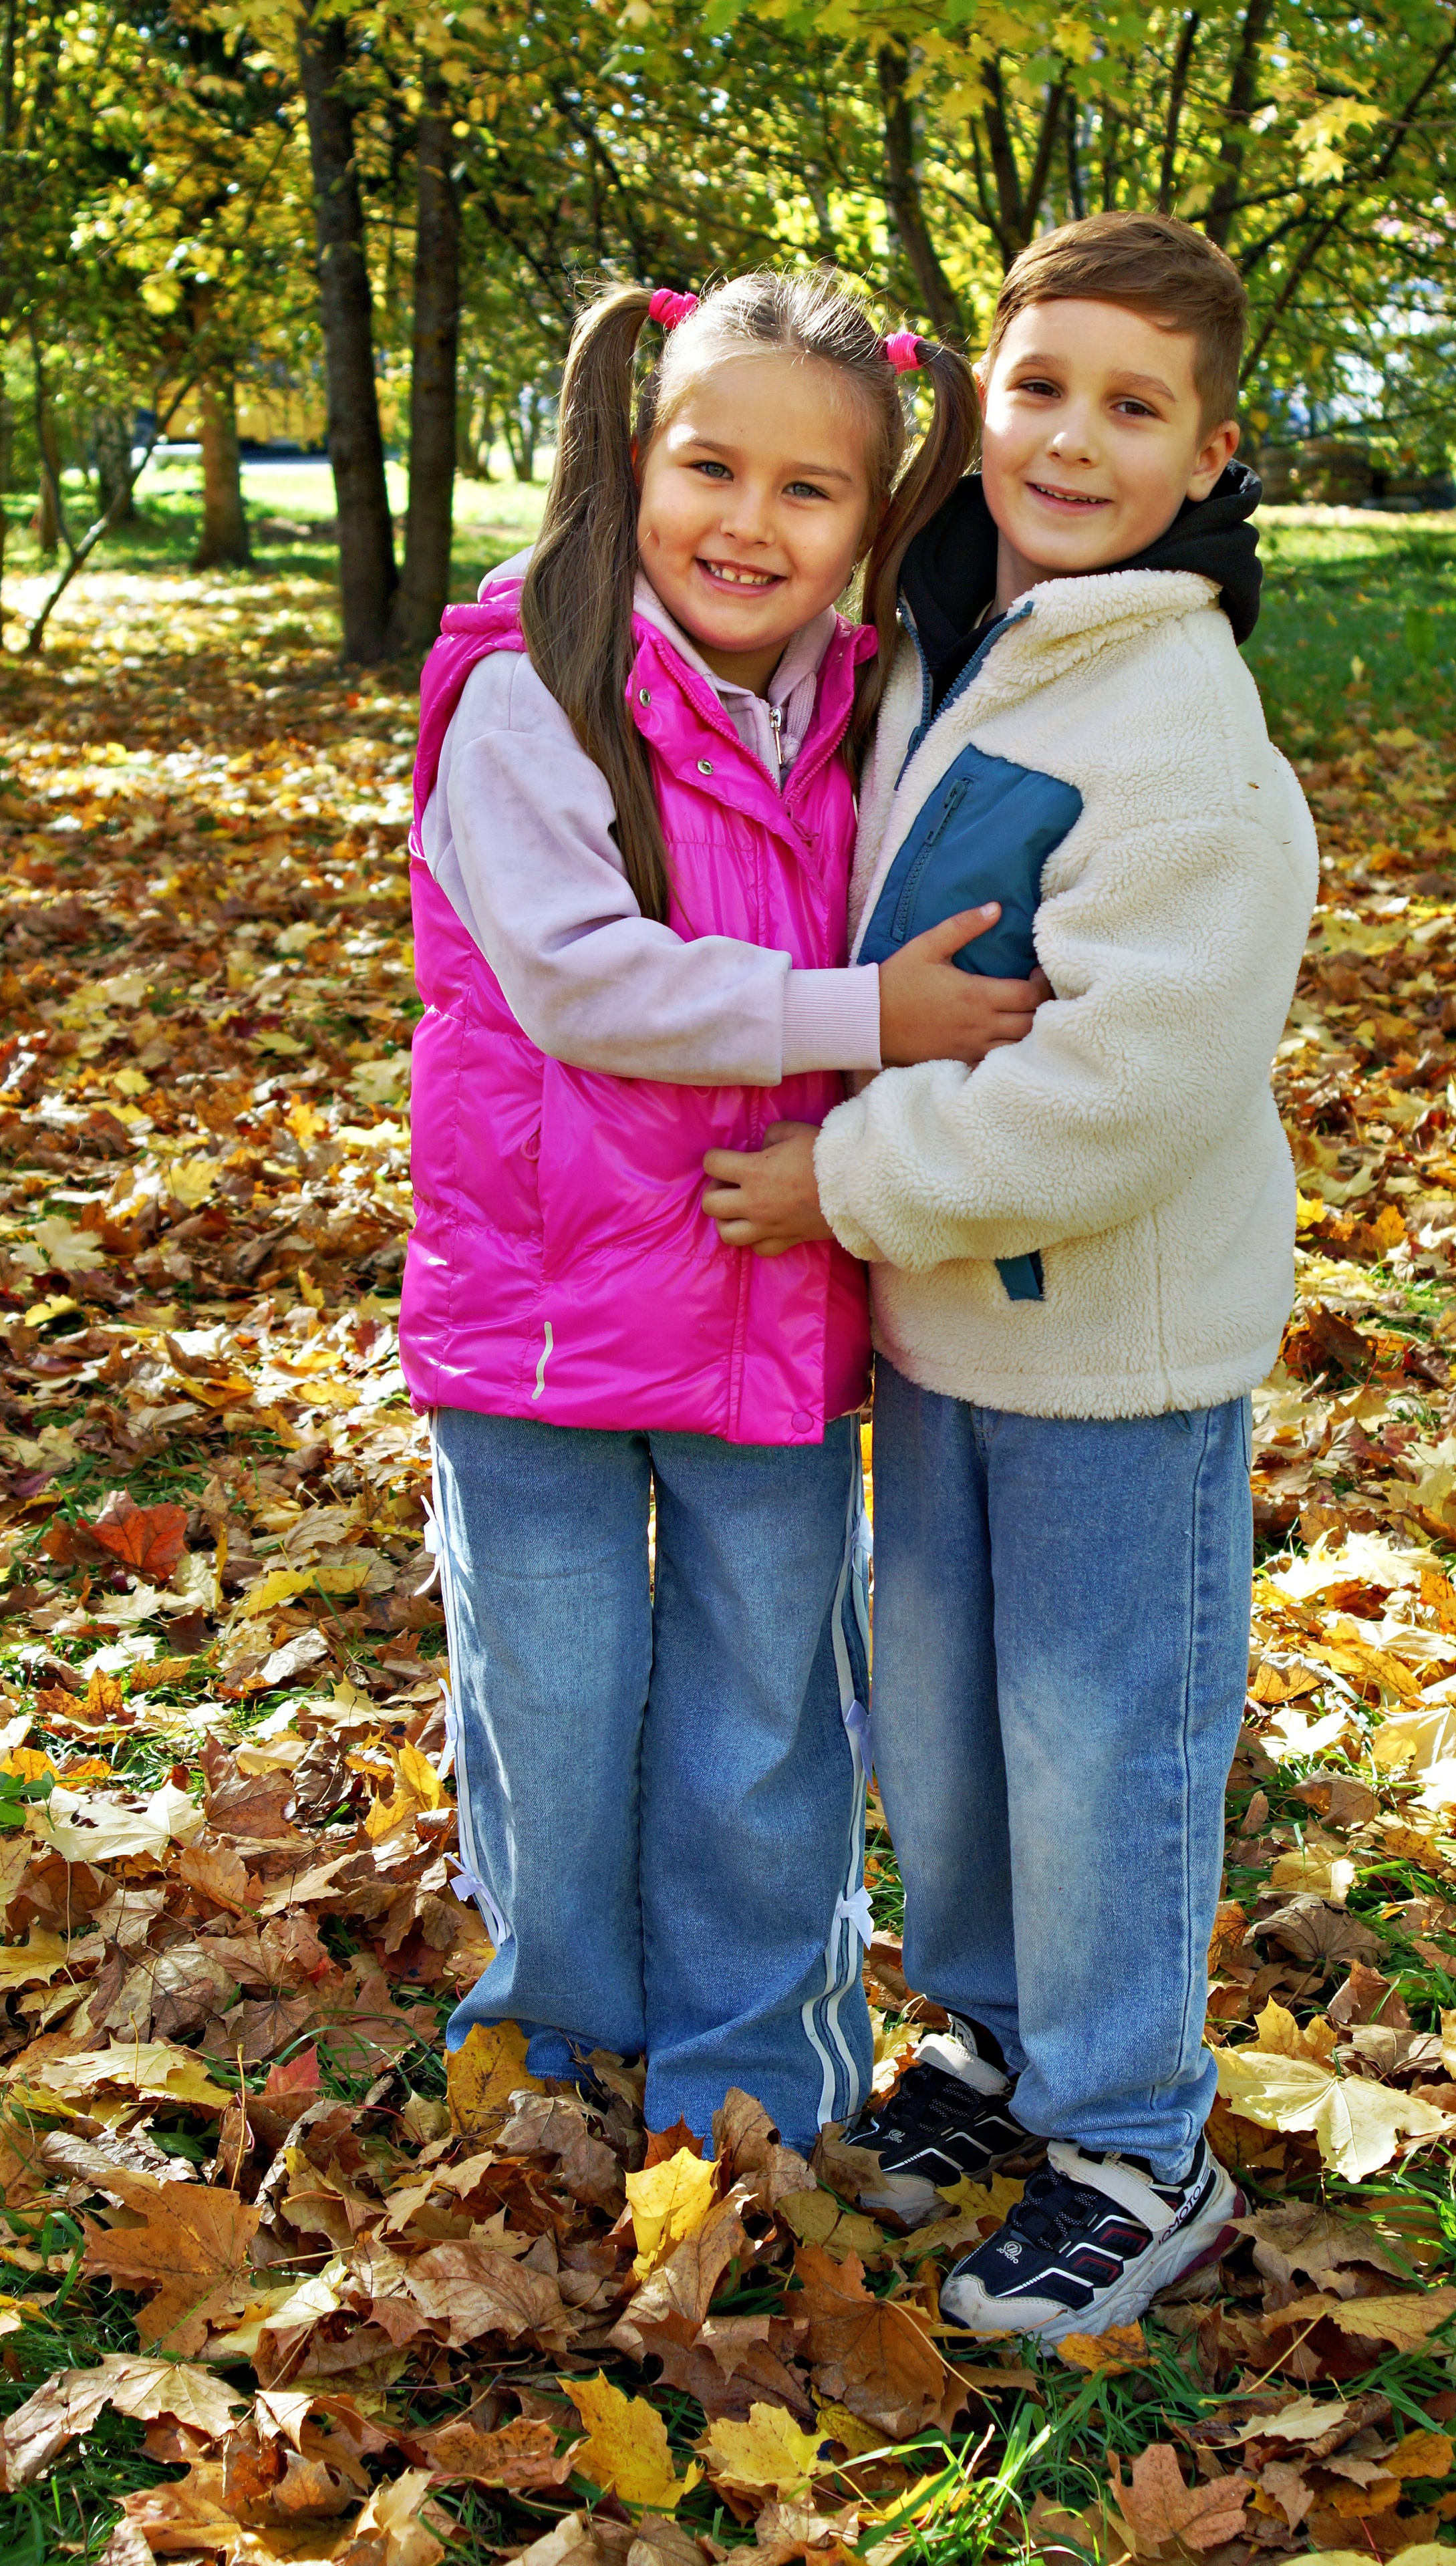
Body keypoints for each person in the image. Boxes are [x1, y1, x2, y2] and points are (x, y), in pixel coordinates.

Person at [702, 214, 1319, 2337]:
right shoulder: (952, 640)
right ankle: (996, 2040)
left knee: (1097, 1736)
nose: (1069, 439)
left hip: (1114, 1348)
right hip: (950, 1321)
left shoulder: (1182, 734)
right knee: (951, 1732)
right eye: (1039, 387)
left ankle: (1139, 2141)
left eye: (1131, 409)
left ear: (1210, 454)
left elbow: (1128, 1089)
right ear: (978, 395)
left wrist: (845, 1178)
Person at [403, 270, 1045, 2150]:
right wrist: (869, 1019)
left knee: (766, 1716)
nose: (747, 526)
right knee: (554, 1702)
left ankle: (755, 2082)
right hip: (539, 1322)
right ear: (635, 455)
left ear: (871, 522)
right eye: (710, 467)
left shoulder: (866, 710)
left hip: (770, 1304)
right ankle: (555, 2043)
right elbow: (587, 983)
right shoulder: (531, 693)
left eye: (809, 493)